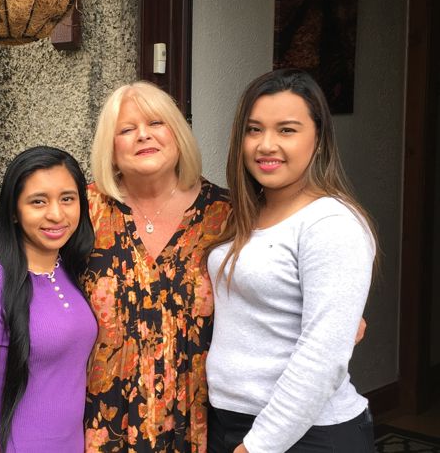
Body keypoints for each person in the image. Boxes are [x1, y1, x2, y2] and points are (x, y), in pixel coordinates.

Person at [205, 69, 377, 453]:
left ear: (318, 139)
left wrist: (259, 446)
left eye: (287, 130)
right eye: (254, 130)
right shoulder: (243, 215)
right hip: (231, 422)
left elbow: (322, 358)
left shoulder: (331, 223)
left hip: (305, 434)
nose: (266, 145)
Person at [83, 81, 232, 452]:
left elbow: (268, 278)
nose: (143, 136)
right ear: (111, 149)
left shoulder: (225, 215)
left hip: (195, 420)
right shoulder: (85, 210)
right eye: (127, 129)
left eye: (156, 123)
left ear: (178, 134)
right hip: (103, 421)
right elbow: (36, 265)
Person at [0, 146, 97, 453]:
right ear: (14, 212)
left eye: (67, 199)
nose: (56, 214)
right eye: (38, 202)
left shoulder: (72, 271)